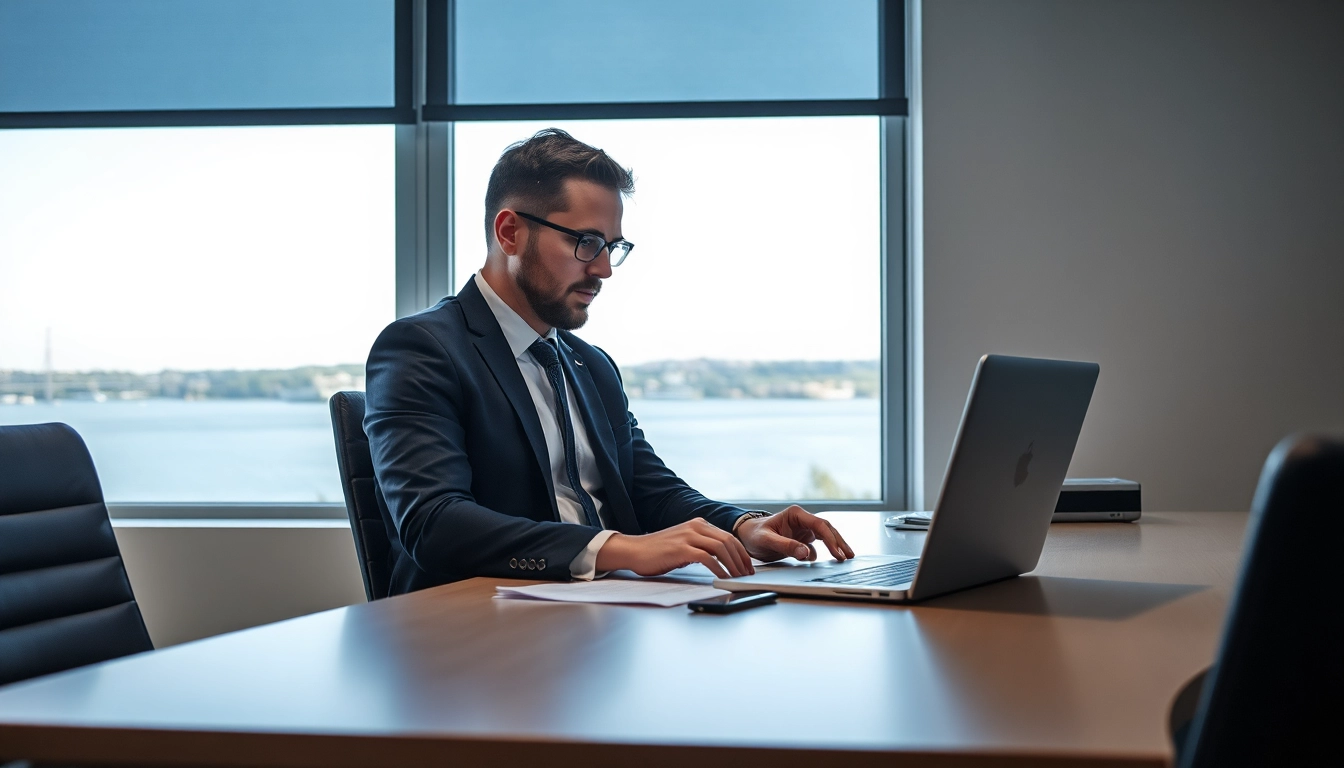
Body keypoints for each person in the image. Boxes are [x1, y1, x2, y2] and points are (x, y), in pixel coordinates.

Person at [364, 128, 854, 595]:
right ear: (510, 232)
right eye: (586, 242)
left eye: (611, 247)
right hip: (475, 627)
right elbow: (434, 523)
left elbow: (649, 491)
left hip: (601, 618)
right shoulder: (420, 348)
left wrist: (744, 526)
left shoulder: (589, 364)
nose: (602, 269)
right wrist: (618, 549)